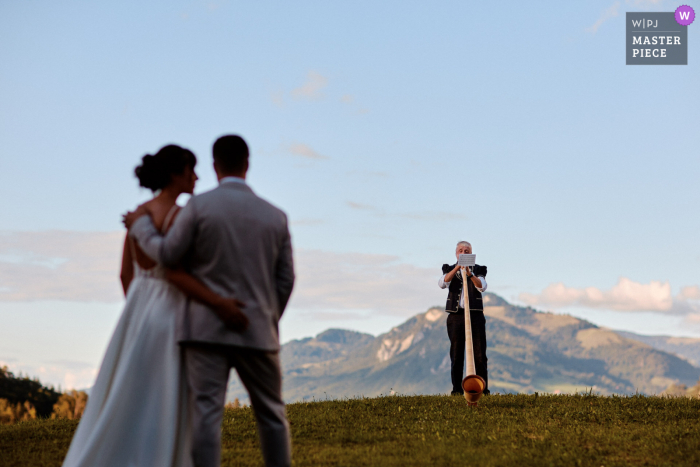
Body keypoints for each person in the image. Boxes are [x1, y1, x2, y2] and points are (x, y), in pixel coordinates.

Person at [63, 145, 245, 467]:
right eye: (192, 170)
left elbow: (125, 273)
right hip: (171, 309)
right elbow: (178, 273)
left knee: (130, 391)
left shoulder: (139, 214)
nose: (197, 177)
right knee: (166, 392)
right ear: (177, 174)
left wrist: (138, 308)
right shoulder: (179, 216)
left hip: (138, 308)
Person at [125, 135, 295, 467]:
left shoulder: (198, 207)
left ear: (215, 165)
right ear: (247, 163)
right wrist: (267, 315)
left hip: (203, 330)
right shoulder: (275, 216)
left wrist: (141, 226)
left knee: (206, 416)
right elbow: (286, 279)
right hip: (257, 329)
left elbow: (168, 255)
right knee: (272, 415)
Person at [439, 241, 489, 396]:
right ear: (456, 253)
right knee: (456, 353)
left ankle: (482, 389)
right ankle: (456, 390)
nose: (464, 252)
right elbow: (442, 283)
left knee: (479, 354)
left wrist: (469, 273)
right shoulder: (448, 268)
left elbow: (482, 286)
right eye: (461, 250)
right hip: (456, 316)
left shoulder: (479, 269)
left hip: (475, 315)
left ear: (472, 254)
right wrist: (457, 268)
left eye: (467, 251)